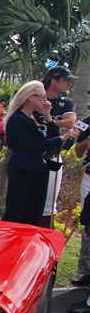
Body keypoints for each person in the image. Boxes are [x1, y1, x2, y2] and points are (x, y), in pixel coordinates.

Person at [1, 81, 76, 226]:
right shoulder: (17, 119)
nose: (45, 100)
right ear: (30, 97)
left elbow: (50, 139)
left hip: (40, 168)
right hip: (23, 167)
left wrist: (48, 117)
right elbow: (32, 145)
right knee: (17, 209)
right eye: (42, 96)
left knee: (35, 211)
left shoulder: (36, 117)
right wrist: (62, 138)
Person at [42, 65, 78, 228]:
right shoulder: (36, 98)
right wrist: (56, 127)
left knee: (49, 207)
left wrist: (46, 124)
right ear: (53, 80)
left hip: (53, 156)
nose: (69, 84)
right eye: (66, 80)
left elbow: (70, 122)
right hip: (32, 156)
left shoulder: (66, 103)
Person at [70, 114, 90, 289]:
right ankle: (86, 271)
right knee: (88, 223)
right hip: (89, 177)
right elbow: (77, 152)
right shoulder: (86, 122)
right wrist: (86, 143)